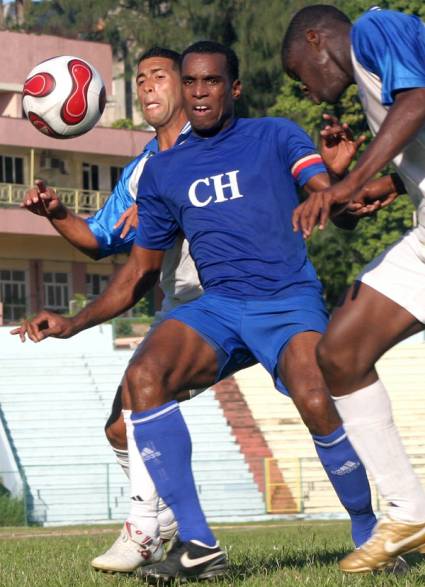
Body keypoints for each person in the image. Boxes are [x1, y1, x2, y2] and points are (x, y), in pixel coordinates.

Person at [14, 41, 398, 582]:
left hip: (286, 301)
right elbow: (137, 273)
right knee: (144, 379)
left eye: (210, 82)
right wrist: (73, 322)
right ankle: (197, 543)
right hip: (214, 307)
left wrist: (343, 191)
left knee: (316, 398)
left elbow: (327, 195)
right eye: (191, 82)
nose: (199, 92)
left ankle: (371, 532)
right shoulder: (160, 173)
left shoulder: (276, 134)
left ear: (233, 88)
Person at [22, 46, 204, 574]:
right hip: (184, 306)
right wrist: (57, 213)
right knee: (121, 428)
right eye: (140, 79)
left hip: (236, 295)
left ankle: (149, 527)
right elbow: (100, 239)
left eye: (159, 77)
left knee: (325, 387)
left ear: (189, 84)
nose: (148, 88)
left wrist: (160, 203)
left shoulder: (214, 142)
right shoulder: (141, 169)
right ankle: (162, 521)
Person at [282, 5, 425, 573]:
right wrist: (369, 185)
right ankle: (409, 511)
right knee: (339, 353)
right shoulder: (377, 92)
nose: (311, 94)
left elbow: (419, 103)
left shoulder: (374, 27)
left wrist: (353, 180)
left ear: (317, 40)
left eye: (301, 76)